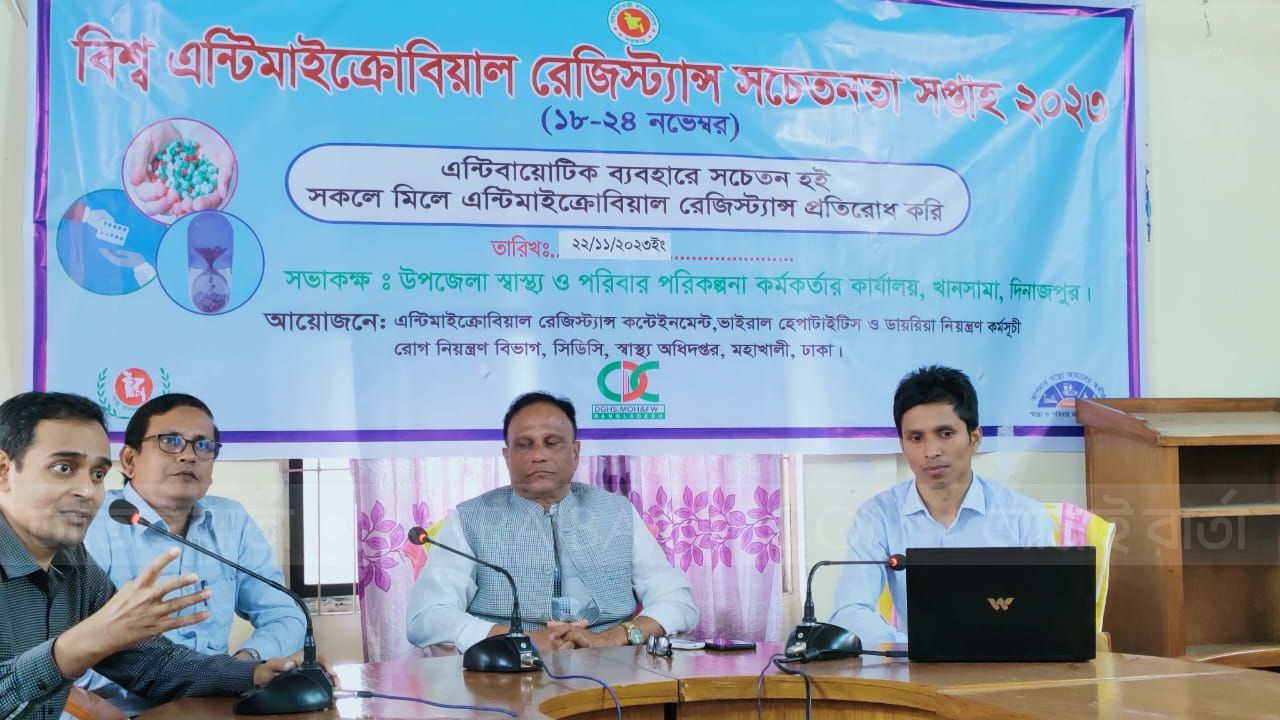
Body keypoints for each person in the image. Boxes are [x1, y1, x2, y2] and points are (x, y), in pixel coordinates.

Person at [0, 392, 322, 720]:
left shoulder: (73, 562)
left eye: (97, 474)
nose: (87, 491)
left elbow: (151, 663)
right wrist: (70, 651)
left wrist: (253, 673)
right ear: (3, 471)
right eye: (63, 468)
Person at [406, 392, 698, 653]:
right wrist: (520, 640)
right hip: (506, 669)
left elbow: (678, 602)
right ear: (507, 457)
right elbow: (426, 617)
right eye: (524, 445)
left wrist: (613, 637)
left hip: (612, 664)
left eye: (551, 443)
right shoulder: (470, 519)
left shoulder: (618, 512)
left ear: (575, 453)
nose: (539, 456)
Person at [79, 393, 305, 714]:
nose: (188, 456)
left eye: (203, 446)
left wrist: (245, 664)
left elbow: (286, 615)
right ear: (129, 460)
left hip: (216, 702)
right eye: (170, 441)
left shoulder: (230, 519)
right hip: (112, 710)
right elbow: (73, 654)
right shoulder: (90, 522)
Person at [829, 365, 1054, 646]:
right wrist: (907, 649)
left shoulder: (1025, 516)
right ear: (902, 444)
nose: (931, 451)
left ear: (974, 438)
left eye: (945, 433)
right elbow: (850, 609)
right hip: (914, 665)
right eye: (916, 438)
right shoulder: (878, 515)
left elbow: (1049, 611)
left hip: (1007, 663)